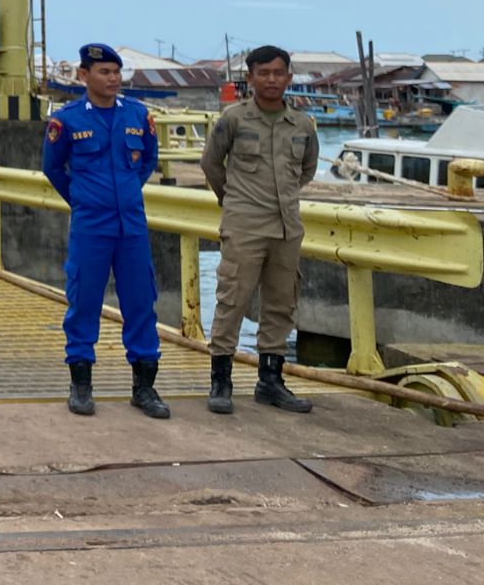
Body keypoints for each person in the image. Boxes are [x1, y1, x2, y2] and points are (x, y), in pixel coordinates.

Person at [42, 43, 169, 419]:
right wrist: (83, 199)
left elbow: (147, 160)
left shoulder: (137, 114)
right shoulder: (67, 121)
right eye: (104, 72)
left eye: (116, 72)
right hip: (91, 226)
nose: (112, 79)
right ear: (84, 76)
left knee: (140, 302)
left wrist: (126, 194)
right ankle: (81, 384)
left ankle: (144, 387)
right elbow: (53, 169)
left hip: (131, 226)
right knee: (84, 301)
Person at [200, 45, 317, 415]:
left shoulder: (302, 124)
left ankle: (270, 382)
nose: (271, 80)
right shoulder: (233, 119)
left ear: (289, 78)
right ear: (249, 78)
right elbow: (211, 164)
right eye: (263, 73)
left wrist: (282, 198)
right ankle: (221, 381)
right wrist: (234, 201)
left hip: (287, 227)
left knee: (282, 303)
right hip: (244, 224)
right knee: (232, 298)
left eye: (278, 73)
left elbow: (307, 170)